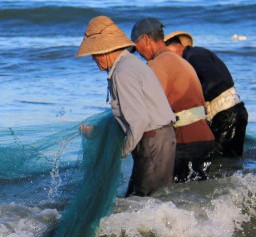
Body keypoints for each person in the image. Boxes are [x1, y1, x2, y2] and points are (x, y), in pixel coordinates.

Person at [77, 16, 176, 196]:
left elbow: (139, 120)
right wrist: (97, 132)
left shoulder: (122, 73)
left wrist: (120, 152)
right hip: (158, 138)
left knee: (147, 203)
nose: (93, 59)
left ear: (105, 50)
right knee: (147, 200)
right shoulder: (130, 64)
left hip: (152, 141)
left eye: (94, 54)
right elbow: (129, 115)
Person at [131, 18, 216, 182]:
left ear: (146, 40)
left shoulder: (157, 65)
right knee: (196, 197)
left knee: (173, 197)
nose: (139, 54)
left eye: (137, 47)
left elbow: (147, 107)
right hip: (205, 138)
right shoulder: (180, 61)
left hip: (187, 141)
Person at [164, 31, 248, 157]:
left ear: (176, 47)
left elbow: (212, 82)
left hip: (226, 115)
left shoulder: (193, 57)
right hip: (235, 110)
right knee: (231, 160)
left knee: (218, 161)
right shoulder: (200, 53)